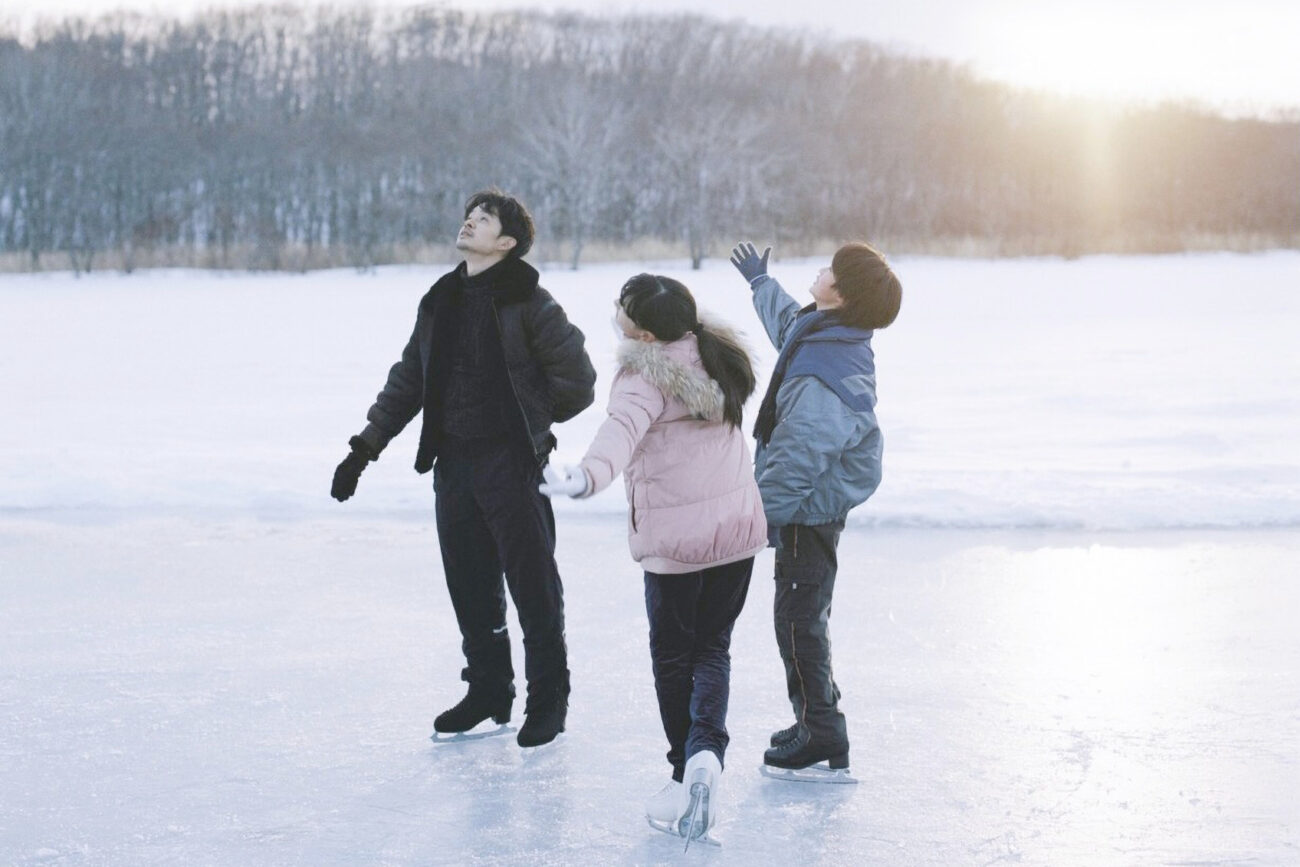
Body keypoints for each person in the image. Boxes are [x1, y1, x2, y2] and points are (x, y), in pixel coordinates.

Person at [331, 189, 596, 748]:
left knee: (533, 587)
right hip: (453, 464)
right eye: (470, 215)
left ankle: (549, 698)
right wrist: (363, 450)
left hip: (513, 465)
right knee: (470, 586)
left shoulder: (531, 301)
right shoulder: (440, 300)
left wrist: (530, 422)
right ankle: (489, 691)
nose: (470, 221)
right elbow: (409, 381)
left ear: (507, 243)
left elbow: (579, 381)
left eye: (485, 219)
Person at [540, 273, 767, 840]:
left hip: (677, 545)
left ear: (640, 331)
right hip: (736, 536)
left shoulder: (644, 374)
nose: (613, 308)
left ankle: (682, 769)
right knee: (713, 648)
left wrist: (585, 478)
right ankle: (705, 758)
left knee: (673, 657)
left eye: (620, 304)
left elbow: (620, 433)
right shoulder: (717, 353)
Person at [729, 240, 901, 774]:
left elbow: (795, 459)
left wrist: (753, 523)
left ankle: (821, 730)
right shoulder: (830, 334)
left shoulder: (821, 372)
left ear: (841, 293)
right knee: (805, 616)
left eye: (831, 268)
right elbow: (788, 327)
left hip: (808, 509)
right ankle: (818, 717)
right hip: (812, 504)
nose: (820, 269)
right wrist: (761, 283)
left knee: (799, 621)